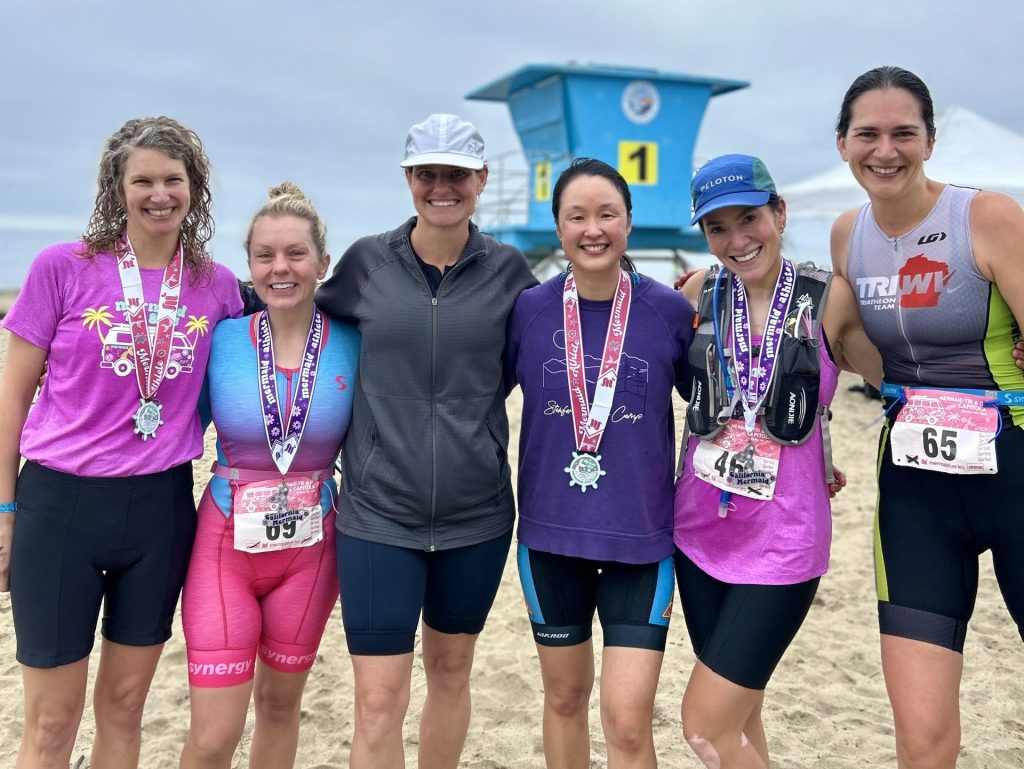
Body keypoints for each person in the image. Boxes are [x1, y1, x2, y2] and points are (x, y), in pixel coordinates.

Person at [0, 116, 242, 769]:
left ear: (194, 187)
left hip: (160, 511)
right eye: (143, 181)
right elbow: (11, 399)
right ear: (117, 188)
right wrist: (3, 510)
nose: (159, 194)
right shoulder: (62, 267)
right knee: (51, 721)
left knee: (125, 708)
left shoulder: (218, 286)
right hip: (59, 508)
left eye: (173, 179)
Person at [315, 113, 537, 769]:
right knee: (378, 700)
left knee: (450, 673)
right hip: (377, 516)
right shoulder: (365, 263)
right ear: (408, 179)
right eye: (427, 174)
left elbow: (550, 346)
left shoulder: (510, 272)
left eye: (456, 174)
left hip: (477, 517)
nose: (442, 187)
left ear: (482, 179)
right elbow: (294, 313)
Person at [831, 66, 1024, 769]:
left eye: (903, 133)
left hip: (1016, 472)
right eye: (868, 134)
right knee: (921, 737)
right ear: (843, 144)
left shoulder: (987, 217)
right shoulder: (847, 233)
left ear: (930, 141)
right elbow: (844, 339)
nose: (885, 150)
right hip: (916, 497)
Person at [674, 154, 881, 769]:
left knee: (704, 727)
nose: (737, 240)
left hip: (784, 543)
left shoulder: (830, 298)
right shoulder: (699, 292)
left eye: (750, 219)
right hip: (698, 532)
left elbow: (901, 370)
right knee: (740, 716)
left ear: (780, 214)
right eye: (718, 228)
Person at [504, 157, 693, 769]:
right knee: (564, 700)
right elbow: (469, 397)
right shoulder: (528, 311)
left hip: (641, 540)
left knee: (628, 722)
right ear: (558, 227)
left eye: (607, 214)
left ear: (629, 223)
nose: (593, 230)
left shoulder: (669, 311)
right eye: (577, 216)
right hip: (549, 538)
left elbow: (721, 404)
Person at [178, 183, 359, 769]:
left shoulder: (355, 342)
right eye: (265, 255)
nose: (280, 268)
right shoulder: (222, 339)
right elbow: (166, 423)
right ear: (250, 265)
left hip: (313, 550)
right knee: (214, 735)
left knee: (281, 708)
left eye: (295, 254)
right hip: (225, 546)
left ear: (323, 263)